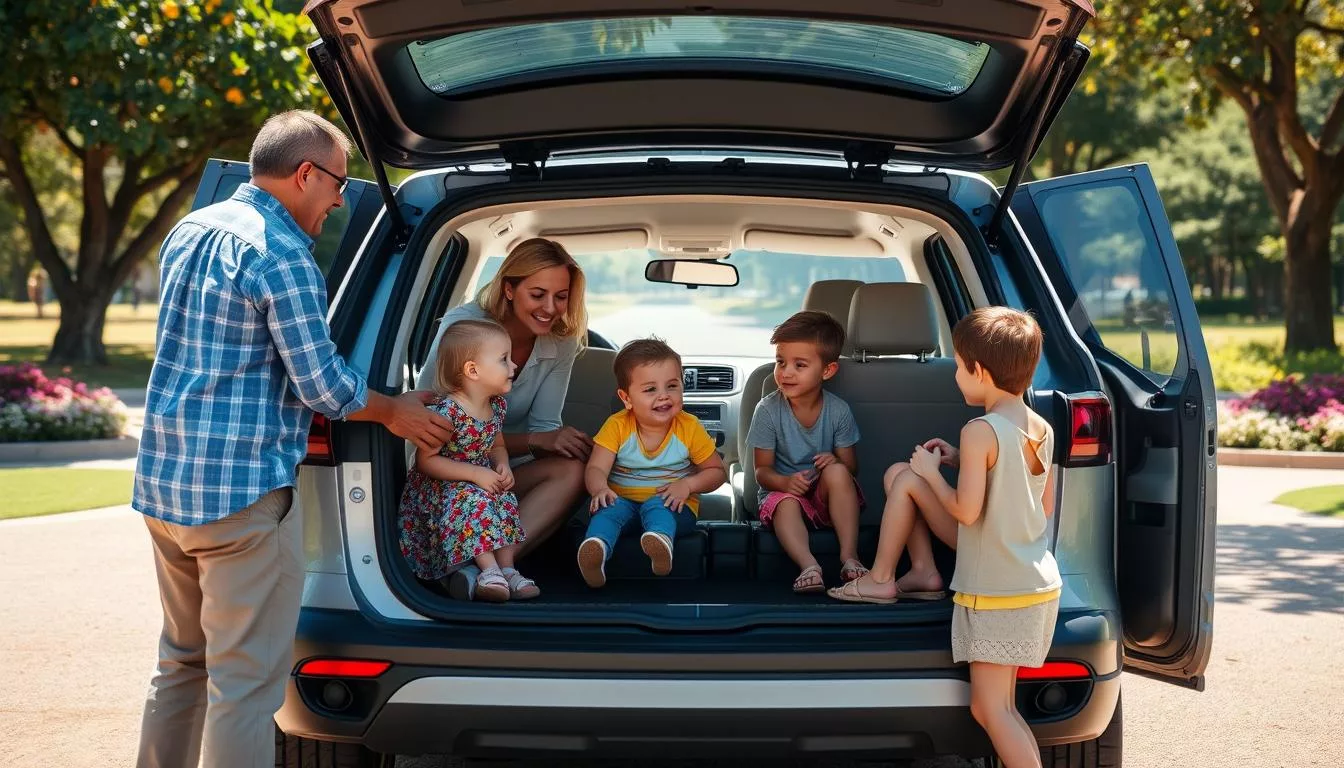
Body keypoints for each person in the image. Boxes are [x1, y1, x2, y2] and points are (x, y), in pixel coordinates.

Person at [132, 110, 452, 768]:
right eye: (337, 182)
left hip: (165, 492)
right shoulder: (281, 254)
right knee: (245, 685)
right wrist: (394, 412)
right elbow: (323, 387)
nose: (340, 198)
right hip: (241, 498)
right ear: (305, 173)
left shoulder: (189, 231)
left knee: (181, 663)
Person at [831, 306, 1060, 768]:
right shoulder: (1040, 426)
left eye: (958, 366)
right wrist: (959, 461)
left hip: (999, 590)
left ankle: (880, 579)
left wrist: (934, 474)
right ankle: (918, 571)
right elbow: (1043, 504)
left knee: (992, 710)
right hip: (1033, 582)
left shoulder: (980, 430)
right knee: (1001, 708)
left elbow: (965, 510)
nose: (955, 374)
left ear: (979, 371)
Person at [418, 238, 590, 599]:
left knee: (575, 470)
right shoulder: (464, 327)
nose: (550, 308)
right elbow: (431, 420)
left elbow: (544, 427)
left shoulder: (561, 343)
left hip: (504, 472)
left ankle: (488, 570)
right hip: (450, 473)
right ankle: (479, 569)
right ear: (509, 289)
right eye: (538, 294)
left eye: (561, 296)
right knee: (471, 488)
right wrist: (532, 443)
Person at [399, 319, 538, 602]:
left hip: (478, 480)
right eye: (504, 360)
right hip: (442, 490)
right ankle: (489, 571)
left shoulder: (496, 405)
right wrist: (475, 474)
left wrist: (503, 465)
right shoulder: (447, 412)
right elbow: (426, 462)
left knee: (504, 501)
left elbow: (496, 444)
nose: (513, 366)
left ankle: (508, 569)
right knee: (473, 500)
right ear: (472, 370)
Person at [579, 338, 726, 588]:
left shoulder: (689, 427)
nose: (664, 396)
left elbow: (716, 472)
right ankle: (596, 550)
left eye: (672, 386)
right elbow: (595, 468)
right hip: (623, 502)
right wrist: (600, 489)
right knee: (608, 512)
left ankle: (660, 544)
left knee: (659, 508)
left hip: (672, 505)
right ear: (626, 398)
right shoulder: (617, 426)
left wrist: (687, 486)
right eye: (650, 390)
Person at [746, 310, 864, 593]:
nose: (785, 372)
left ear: (827, 370)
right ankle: (808, 565)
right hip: (782, 494)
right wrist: (786, 483)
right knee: (785, 502)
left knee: (837, 471)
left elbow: (851, 468)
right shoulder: (767, 410)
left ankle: (849, 557)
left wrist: (835, 461)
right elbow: (762, 471)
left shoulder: (838, 410)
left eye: (799, 365)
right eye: (780, 362)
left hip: (824, 497)